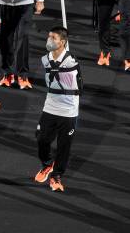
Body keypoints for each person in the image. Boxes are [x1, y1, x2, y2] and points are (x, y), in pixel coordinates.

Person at [34, 26, 81, 192]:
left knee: (63, 146)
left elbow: (75, 86)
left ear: (62, 42)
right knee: (41, 139)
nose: (49, 40)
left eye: (53, 38)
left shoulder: (72, 62)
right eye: (49, 37)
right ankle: (47, 164)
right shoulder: (44, 59)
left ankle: (56, 176)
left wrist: (61, 66)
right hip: (50, 106)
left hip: (68, 111)